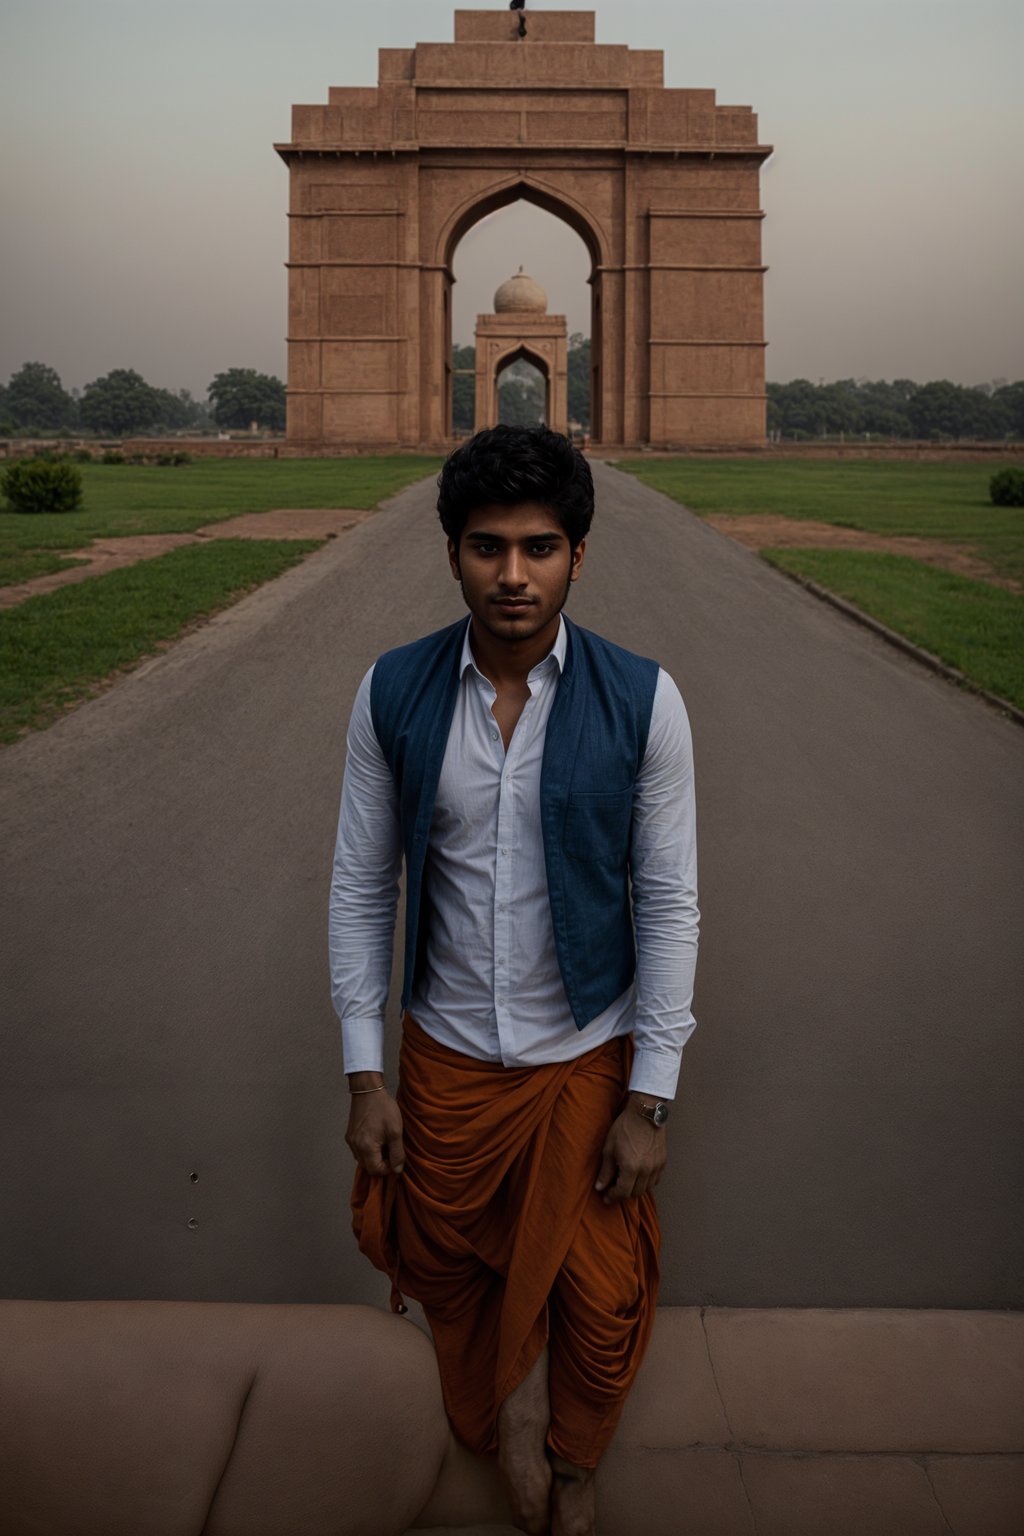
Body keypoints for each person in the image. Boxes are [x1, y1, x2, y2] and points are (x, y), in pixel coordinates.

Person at [328, 425, 699, 1536]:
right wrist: (363, 1075)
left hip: (586, 1055)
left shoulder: (644, 699)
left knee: (601, 1294)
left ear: (578, 555)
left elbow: (669, 903)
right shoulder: (391, 692)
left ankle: (570, 1453)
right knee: (452, 1263)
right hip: (445, 1058)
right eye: (487, 548)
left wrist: (651, 1097)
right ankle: (514, 1403)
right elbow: (360, 890)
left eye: (540, 548)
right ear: (452, 553)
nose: (513, 576)